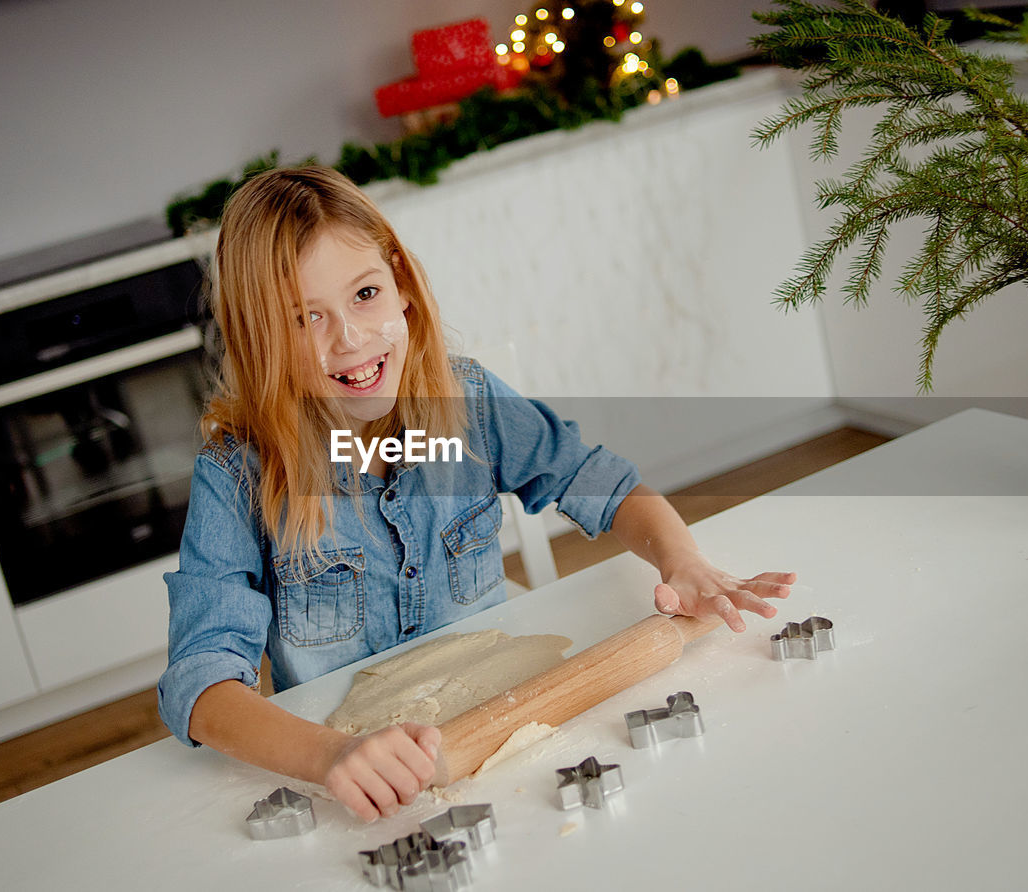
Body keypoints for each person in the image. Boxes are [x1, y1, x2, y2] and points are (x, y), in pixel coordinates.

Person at [157, 165, 795, 823]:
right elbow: (201, 686)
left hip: (516, 736)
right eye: (302, 318)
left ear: (402, 285)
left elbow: (597, 481)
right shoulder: (238, 476)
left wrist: (682, 561)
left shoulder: (469, 403)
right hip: (366, 789)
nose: (348, 338)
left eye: (365, 294)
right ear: (258, 339)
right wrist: (330, 756)